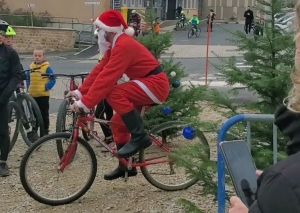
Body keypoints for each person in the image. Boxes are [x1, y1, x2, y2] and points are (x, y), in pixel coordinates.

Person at [67, 10, 169, 181]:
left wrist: (85, 102)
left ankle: (139, 135)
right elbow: (100, 70)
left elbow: (108, 77)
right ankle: (126, 167)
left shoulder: (123, 45)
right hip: (144, 83)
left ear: (109, 30)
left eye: (99, 30)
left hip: (155, 85)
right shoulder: (115, 46)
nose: (98, 34)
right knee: (116, 123)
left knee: (113, 92)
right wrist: (80, 92)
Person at [0, 19, 22, 176]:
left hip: (2, 97)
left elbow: (16, 75)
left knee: (2, 131)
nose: (0, 37)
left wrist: (5, 95)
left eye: (1, 34)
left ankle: (2, 163)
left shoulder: (10, 53)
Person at [26, 47, 56, 136]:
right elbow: (28, 78)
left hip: (43, 95)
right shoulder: (31, 67)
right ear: (33, 56)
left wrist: (46, 87)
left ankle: (45, 130)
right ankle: (35, 128)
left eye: (39, 55)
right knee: (34, 113)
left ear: (44, 57)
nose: (37, 57)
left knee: (44, 114)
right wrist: (29, 87)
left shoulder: (47, 67)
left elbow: (52, 79)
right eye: (35, 55)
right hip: (33, 95)